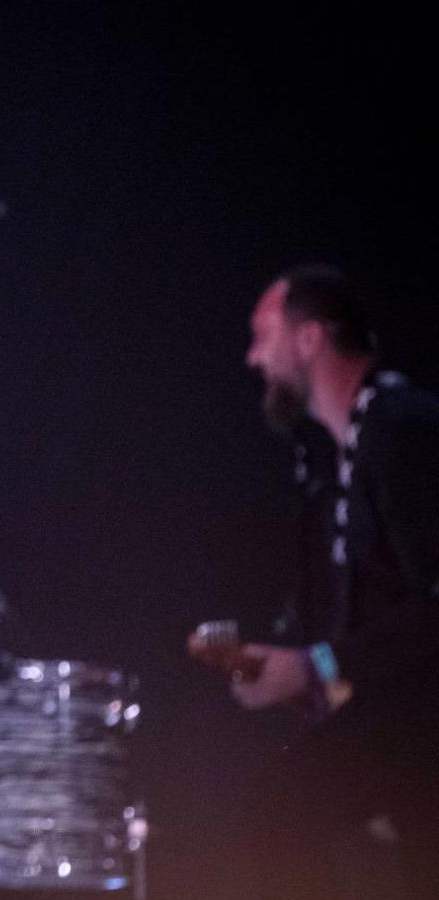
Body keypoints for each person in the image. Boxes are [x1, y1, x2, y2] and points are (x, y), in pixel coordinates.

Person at [229, 264, 439, 899]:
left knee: (269, 828)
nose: (253, 358)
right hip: (403, 725)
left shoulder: (401, 427)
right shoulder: (351, 443)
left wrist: (318, 664)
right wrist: (309, 674)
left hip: (419, 729)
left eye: (263, 336)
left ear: (309, 339)